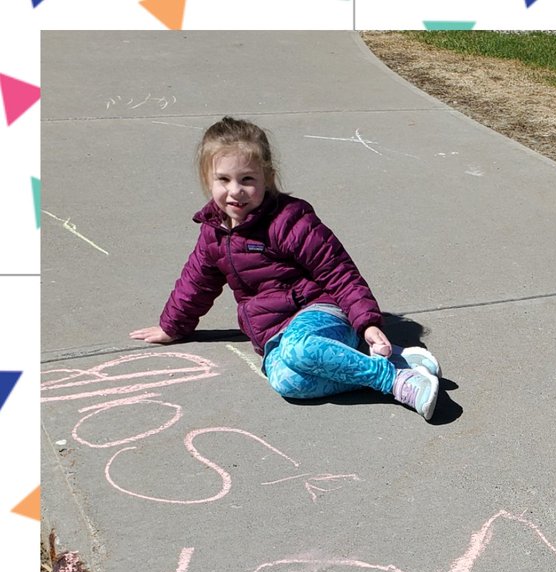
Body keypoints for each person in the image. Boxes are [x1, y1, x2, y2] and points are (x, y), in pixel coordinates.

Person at [130, 116, 438, 420]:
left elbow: (339, 271)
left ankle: (395, 380)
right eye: (223, 179)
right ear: (207, 179)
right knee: (287, 382)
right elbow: (196, 283)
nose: (235, 190)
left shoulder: (289, 220)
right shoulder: (214, 232)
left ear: (267, 177)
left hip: (318, 311)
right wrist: (172, 327)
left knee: (299, 349)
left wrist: (367, 323)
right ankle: (396, 362)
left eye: (247, 179)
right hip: (274, 331)